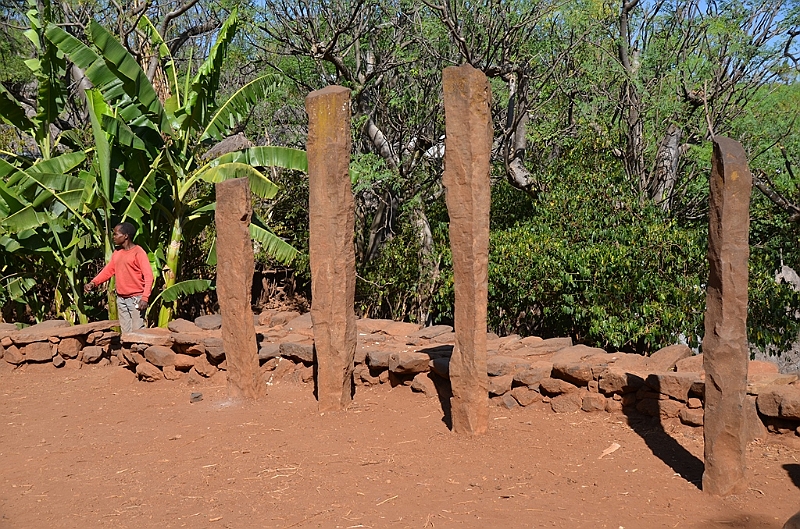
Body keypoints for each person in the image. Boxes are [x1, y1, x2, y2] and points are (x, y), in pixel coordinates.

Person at [84, 222, 154, 333]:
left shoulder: (138, 252)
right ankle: (127, 351)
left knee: (137, 330)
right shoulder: (117, 253)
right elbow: (108, 270)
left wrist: (145, 298)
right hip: (121, 298)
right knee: (125, 331)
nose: (114, 237)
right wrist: (94, 283)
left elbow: (149, 276)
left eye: (116, 234)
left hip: (136, 298)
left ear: (125, 236)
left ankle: (137, 350)